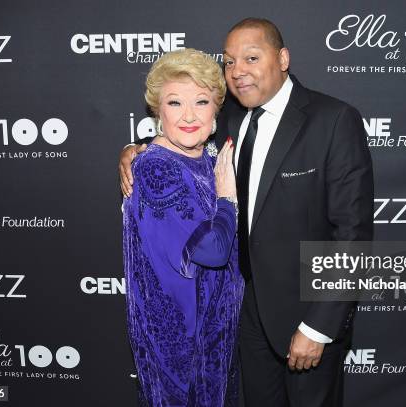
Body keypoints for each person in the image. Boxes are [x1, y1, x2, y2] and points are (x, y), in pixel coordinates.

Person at [120, 18, 373, 407]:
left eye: (251, 57)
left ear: (283, 58)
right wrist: (134, 150)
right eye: (230, 61)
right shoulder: (233, 117)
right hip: (242, 321)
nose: (239, 71)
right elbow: (182, 131)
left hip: (303, 317)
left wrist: (320, 326)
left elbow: (352, 234)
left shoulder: (333, 120)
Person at [122, 48, 244, 407]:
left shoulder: (207, 158)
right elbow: (213, 251)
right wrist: (227, 199)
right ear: (158, 111)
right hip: (180, 346)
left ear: (216, 109)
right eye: (175, 103)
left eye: (202, 102)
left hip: (216, 337)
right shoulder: (156, 170)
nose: (189, 116)